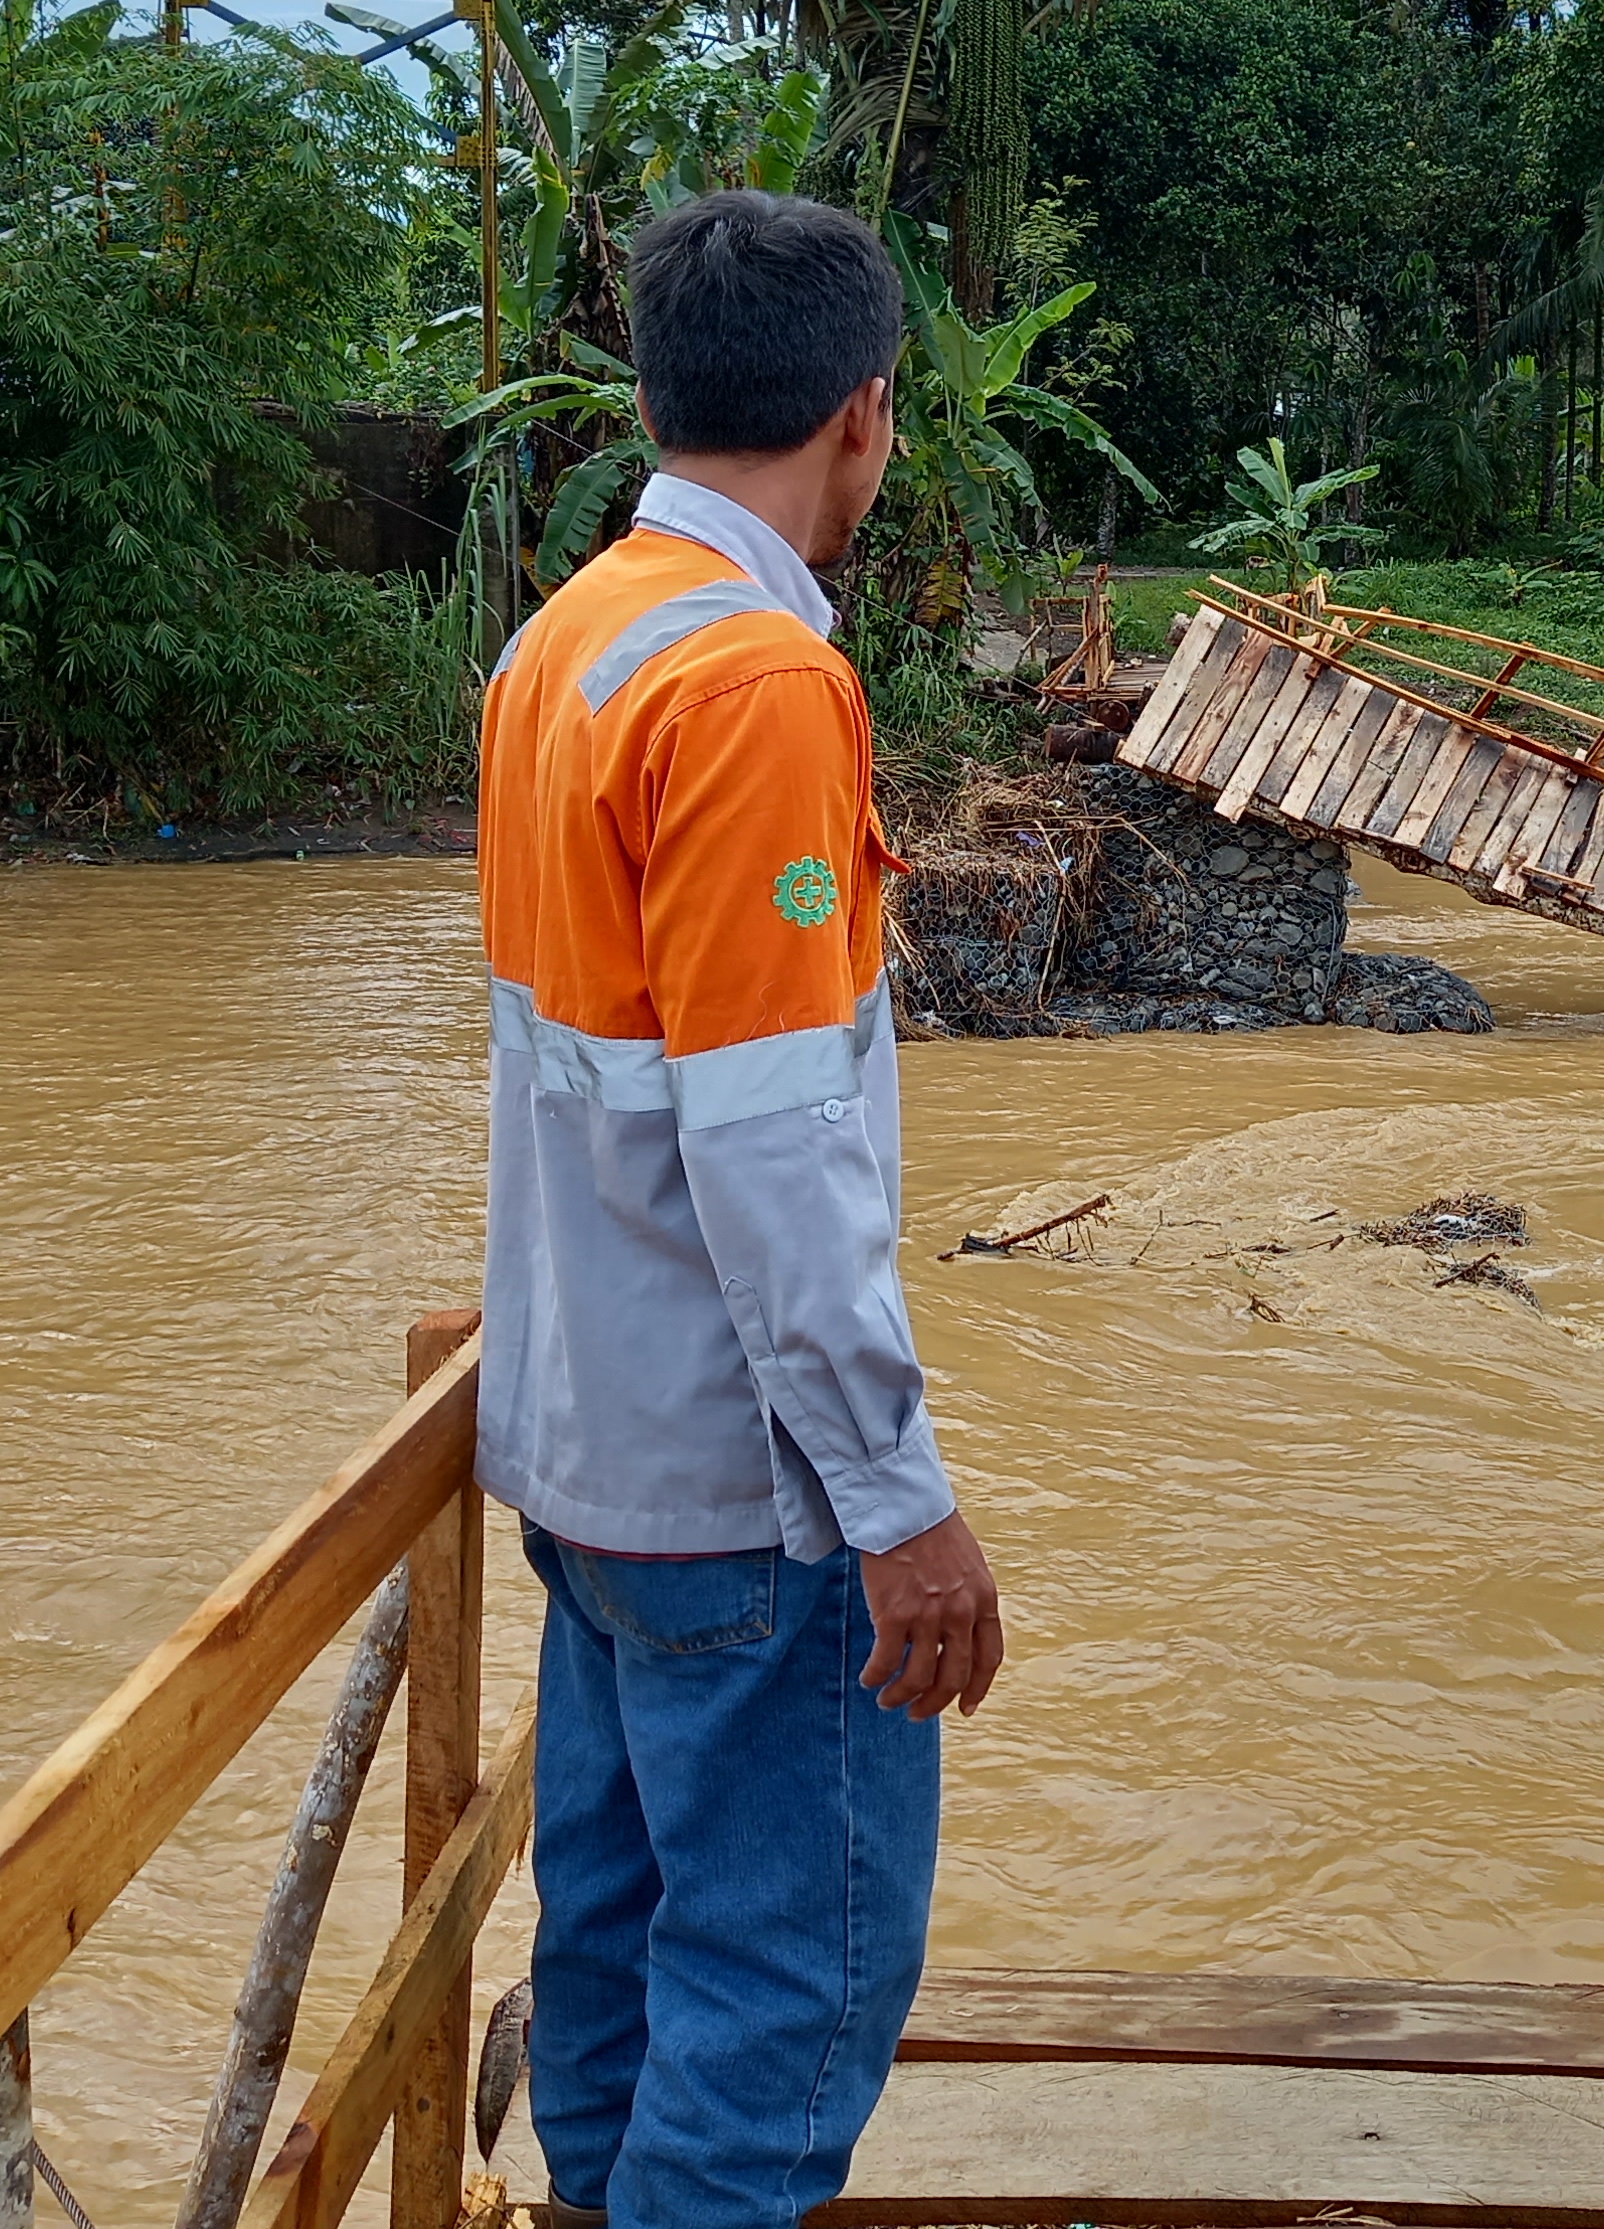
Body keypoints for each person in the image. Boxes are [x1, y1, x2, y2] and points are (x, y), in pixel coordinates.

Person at [475, 188, 1007, 2229]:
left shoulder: (566, 642)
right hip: (742, 1492)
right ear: (862, 416)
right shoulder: (758, 686)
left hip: (582, 1460)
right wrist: (898, 1500)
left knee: (609, 1956)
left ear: (650, 387)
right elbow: (771, 1145)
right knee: (783, 2005)